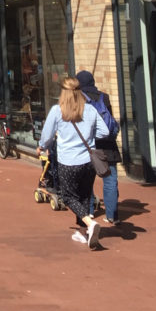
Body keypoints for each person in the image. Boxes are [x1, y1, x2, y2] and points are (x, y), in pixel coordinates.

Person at [39, 77, 109, 249]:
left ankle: (89, 224)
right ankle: (82, 232)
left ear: (63, 92)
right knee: (85, 195)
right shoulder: (90, 110)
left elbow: (47, 135)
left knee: (68, 196)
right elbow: (105, 131)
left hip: (69, 161)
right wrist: (90, 137)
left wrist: (41, 147)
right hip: (89, 161)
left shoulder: (57, 110)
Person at [76, 70, 121, 225]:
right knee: (110, 180)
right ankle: (112, 215)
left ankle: (88, 212)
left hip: (88, 145)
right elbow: (111, 120)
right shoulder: (104, 97)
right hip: (108, 145)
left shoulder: (79, 98)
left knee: (87, 180)